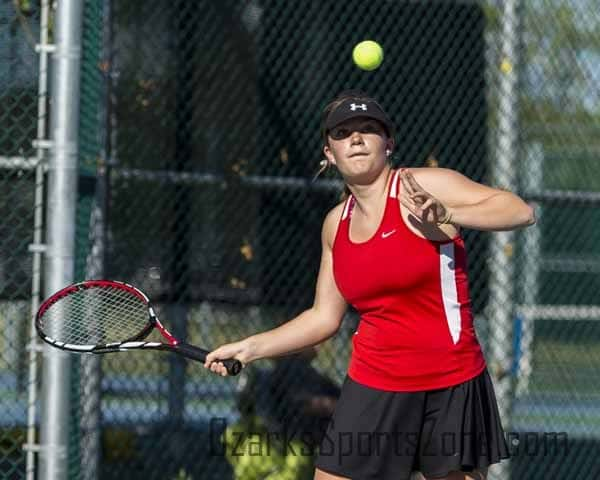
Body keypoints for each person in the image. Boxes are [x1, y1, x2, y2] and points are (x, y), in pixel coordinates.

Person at [204, 89, 535, 480]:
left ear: (389, 143)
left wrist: (449, 213)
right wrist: (250, 347)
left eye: (368, 129)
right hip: (373, 383)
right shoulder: (335, 225)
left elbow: (519, 210)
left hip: (449, 380)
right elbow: (323, 318)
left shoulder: (423, 185)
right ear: (329, 153)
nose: (356, 138)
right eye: (343, 133)